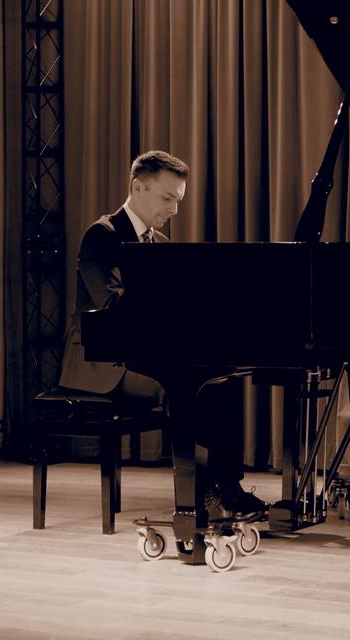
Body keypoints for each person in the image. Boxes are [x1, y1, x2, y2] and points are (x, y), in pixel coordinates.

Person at [59, 149, 267, 521]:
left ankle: (225, 488)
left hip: (144, 355)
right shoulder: (102, 235)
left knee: (223, 379)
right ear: (138, 187)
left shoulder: (161, 243)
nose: (175, 209)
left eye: (178, 200)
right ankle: (199, 499)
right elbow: (111, 305)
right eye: (168, 198)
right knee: (193, 388)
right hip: (103, 363)